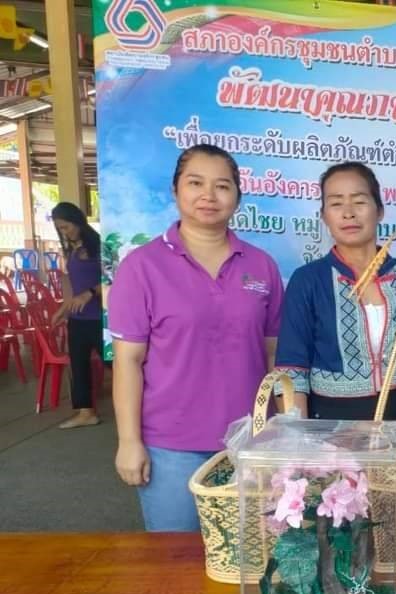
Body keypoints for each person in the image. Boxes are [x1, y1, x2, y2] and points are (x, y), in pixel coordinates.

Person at [109, 144, 284, 533]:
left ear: (237, 196)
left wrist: (286, 432)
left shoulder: (261, 266)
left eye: (222, 185)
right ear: (175, 190)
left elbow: (275, 357)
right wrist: (129, 441)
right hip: (172, 446)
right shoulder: (142, 267)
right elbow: (128, 361)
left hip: (252, 443)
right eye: (195, 183)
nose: (209, 195)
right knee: (175, 559)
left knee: (252, 555)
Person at [274, 162, 396, 445]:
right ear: (324, 215)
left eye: (359, 201)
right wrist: (300, 447)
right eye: (336, 203)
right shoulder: (308, 281)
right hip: (330, 432)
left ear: (379, 210)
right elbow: (292, 372)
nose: (348, 212)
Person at [49, 202, 103, 429]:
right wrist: (63, 309)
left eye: (66, 226)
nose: (65, 232)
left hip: (100, 319)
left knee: (117, 365)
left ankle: (147, 408)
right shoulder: (72, 249)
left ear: (78, 221)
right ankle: (86, 413)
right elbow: (73, 286)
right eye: (60, 229)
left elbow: (114, 278)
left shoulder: (99, 246)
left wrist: (89, 293)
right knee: (79, 366)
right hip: (78, 319)